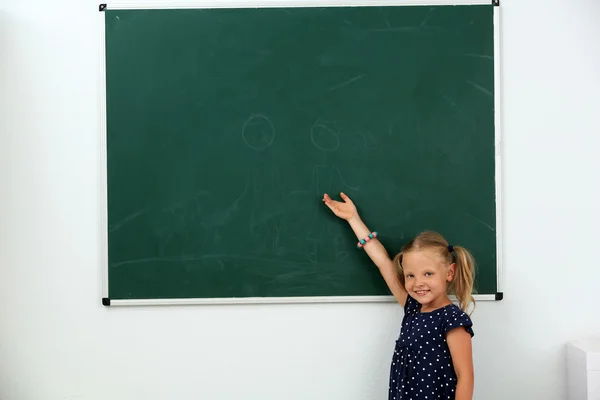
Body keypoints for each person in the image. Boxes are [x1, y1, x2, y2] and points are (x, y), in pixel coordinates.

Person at [323, 192, 476, 400]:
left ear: (449, 273)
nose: (418, 283)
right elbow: (383, 262)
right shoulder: (412, 307)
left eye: (428, 274)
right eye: (410, 275)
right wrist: (353, 219)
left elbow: (465, 376)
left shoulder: (452, 319)